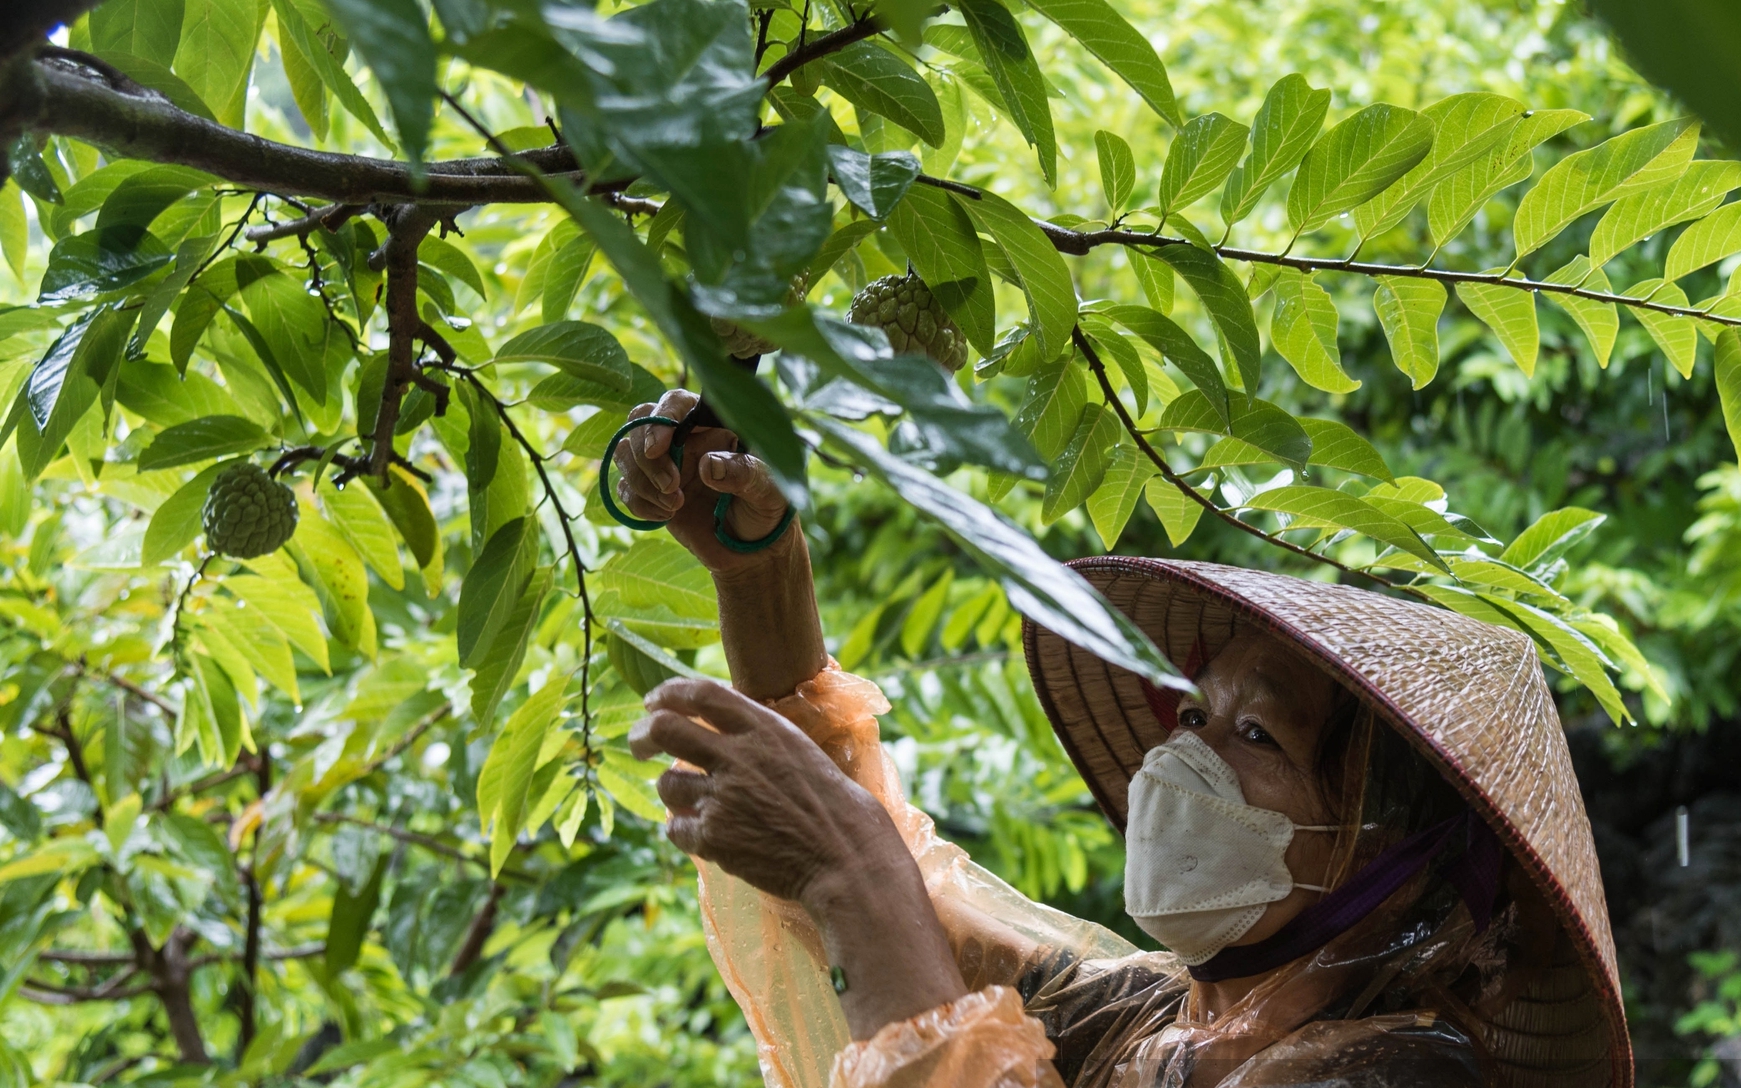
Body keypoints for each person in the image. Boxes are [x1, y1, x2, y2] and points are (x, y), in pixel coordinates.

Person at [613, 389, 1632, 1088]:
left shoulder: (1400, 1072)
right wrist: (760, 571)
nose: (1181, 756)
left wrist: (848, 866)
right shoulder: (1145, 1021)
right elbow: (909, 920)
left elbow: (867, 888)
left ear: (1385, 848)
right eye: (1192, 713)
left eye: (1254, 733)